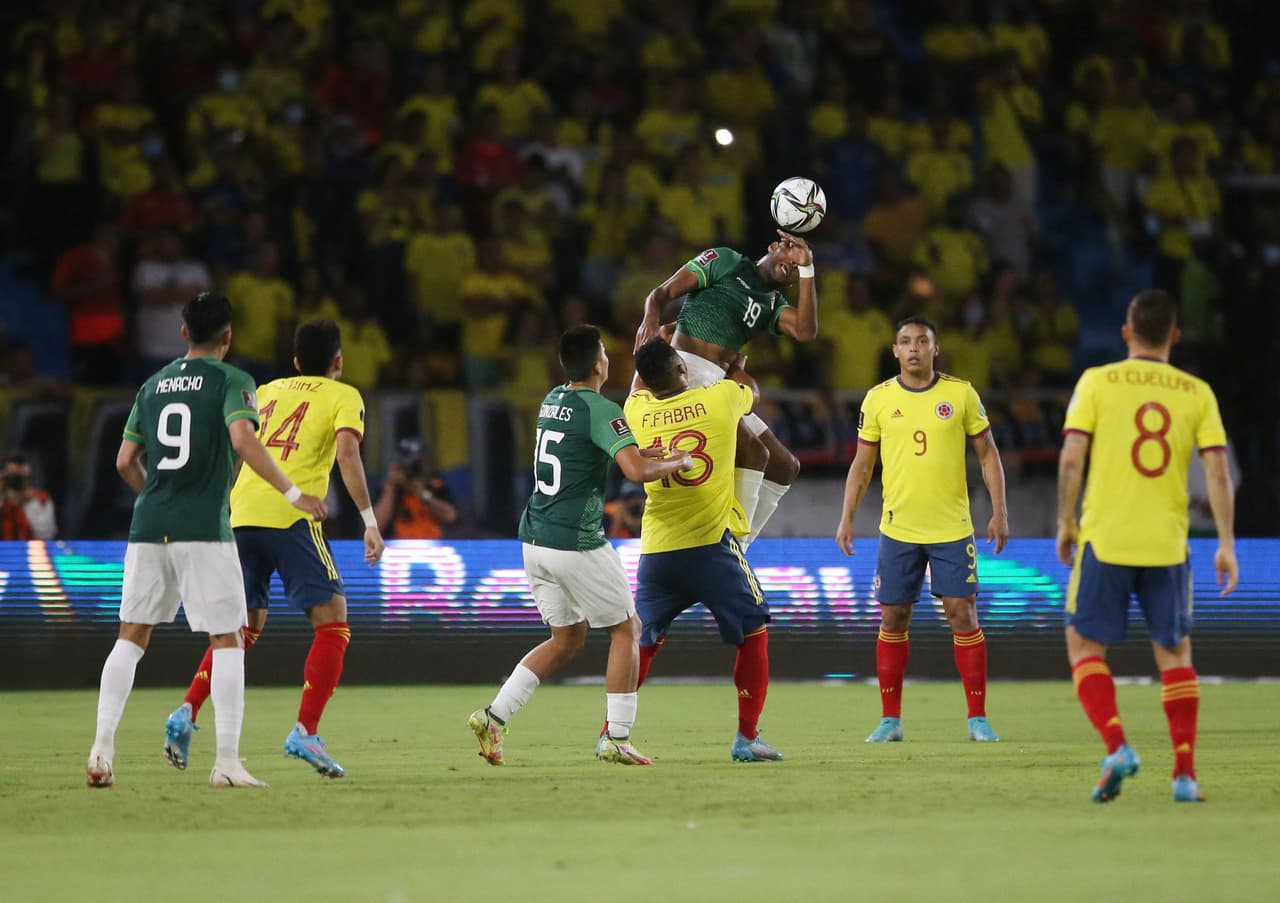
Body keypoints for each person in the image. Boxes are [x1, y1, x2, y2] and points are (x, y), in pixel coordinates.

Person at [86, 292, 327, 790]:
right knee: (228, 638)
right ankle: (227, 764)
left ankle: (101, 752)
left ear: (183, 333)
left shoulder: (152, 384)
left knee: (130, 637)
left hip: (149, 525)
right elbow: (242, 440)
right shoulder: (233, 380)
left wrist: (157, 498)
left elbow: (125, 461)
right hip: (203, 528)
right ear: (228, 336)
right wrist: (293, 493)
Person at [163, 318, 384, 779]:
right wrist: (369, 522)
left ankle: (186, 711)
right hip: (292, 516)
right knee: (333, 624)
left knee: (240, 629)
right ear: (339, 361)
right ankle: (306, 731)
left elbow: (235, 446)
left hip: (240, 513)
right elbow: (347, 454)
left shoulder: (265, 391)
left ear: (296, 361)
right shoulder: (344, 395)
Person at [468, 326, 693, 766]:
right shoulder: (601, 408)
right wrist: (677, 461)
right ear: (598, 365)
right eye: (605, 353)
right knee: (627, 630)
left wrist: (642, 451)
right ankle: (618, 737)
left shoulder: (553, 399)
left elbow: (588, 450)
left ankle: (493, 717)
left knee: (567, 638)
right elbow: (634, 472)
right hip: (576, 541)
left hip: (535, 539)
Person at [1055, 289, 1237, 804]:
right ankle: (1184, 776)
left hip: (1106, 539)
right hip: (1167, 544)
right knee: (1175, 655)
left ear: (1126, 333)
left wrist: (1065, 522)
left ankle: (1117, 746)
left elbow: (1071, 458)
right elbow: (1218, 472)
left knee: (1084, 647)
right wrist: (1226, 544)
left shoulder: (1097, 381)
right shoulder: (1197, 392)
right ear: (1175, 336)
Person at [835, 316, 1009, 743]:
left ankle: (978, 719)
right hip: (899, 529)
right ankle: (890, 721)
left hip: (952, 528)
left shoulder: (961, 394)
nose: (914, 348)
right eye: (905, 341)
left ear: (936, 348)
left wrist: (999, 512)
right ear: (895, 351)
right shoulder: (878, 399)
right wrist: (846, 516)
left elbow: (988, 454)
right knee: (893, 616)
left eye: (922, 341)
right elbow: (862, 464)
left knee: (962, 614)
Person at [624, 338, 785, 763]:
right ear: (682, 369)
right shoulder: (720, 399)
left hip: (657, 553)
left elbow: (638, 385)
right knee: (754, 632)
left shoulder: (636, 411)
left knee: (642, 643)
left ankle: (612, 732)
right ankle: (746, 738)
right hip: (712, 548)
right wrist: (735, 360)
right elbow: (750, 390)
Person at [636, 231, 816, 548]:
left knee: (785, 467)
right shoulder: (726, 260)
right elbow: (661, 293)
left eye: (797, 266)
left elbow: (805, 331)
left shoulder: (773, 303)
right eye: (790, 252)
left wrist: (808, 269)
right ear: (773, 246)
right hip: (685, 373)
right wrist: (650, 318)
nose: (792, 263)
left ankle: (738, 548)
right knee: (755, 453)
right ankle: (730, 547)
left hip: (719, 384)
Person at [374, 437, 459, 539]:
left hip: (433, 545)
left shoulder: (437, 487)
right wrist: (391, 488)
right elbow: (375, 527)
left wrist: (423, 495)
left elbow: (451, 517)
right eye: (405, 466)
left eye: (415, 466)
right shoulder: (390, 491)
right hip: (397, 546)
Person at [1, 452, 57, 540]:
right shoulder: (2, 500)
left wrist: (29, 503)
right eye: (12, 477)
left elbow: (46, 535)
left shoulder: (41, 499)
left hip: (31, 547)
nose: (16, 482)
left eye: (20, 477)